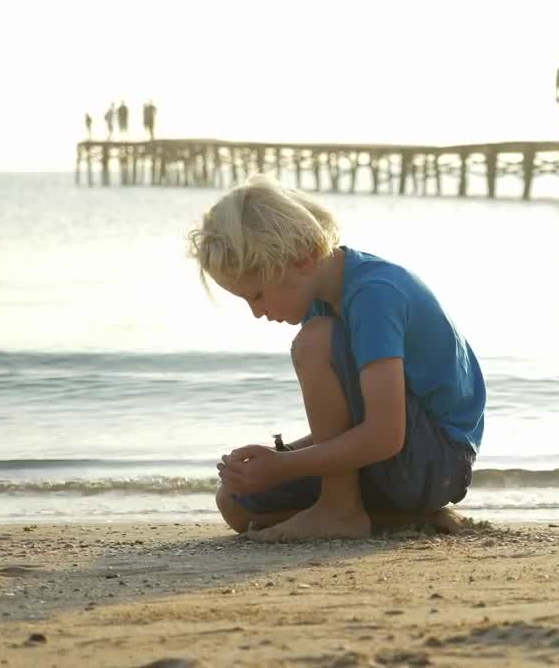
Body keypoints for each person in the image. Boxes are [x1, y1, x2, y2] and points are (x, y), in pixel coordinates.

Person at [188, 175, 485, 541]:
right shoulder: (322, 297)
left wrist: (284, 465)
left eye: (258, 296)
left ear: (303, 260)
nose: (257, 313)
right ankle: (392, 518)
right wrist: (278, 457)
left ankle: (339, 509)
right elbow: (356, 423)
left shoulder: (375, 296)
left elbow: (385, 435)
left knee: (313, 342)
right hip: (400, 465)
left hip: (436, 464)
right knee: (236, 503)